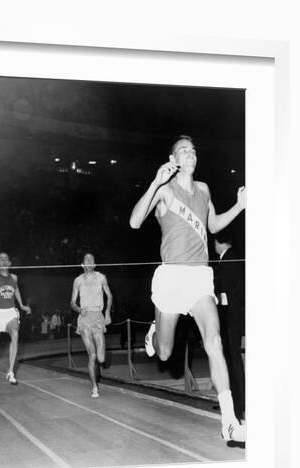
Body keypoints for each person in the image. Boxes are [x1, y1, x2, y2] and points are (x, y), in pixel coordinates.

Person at [129, 135, 246, 442]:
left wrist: (240, 205)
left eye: (193, 150)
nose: (190, 153)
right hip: (171, 277)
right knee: (165, 353)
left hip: (199, 277)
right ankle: (157, 328)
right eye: (184, 150)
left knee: (215, 341)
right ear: (174, 159)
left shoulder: (204, 189)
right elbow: (134, 222)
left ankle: (230, 421)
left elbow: (214, 225)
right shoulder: (165, 190)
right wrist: (155, 182)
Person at [70, 253, 113, 398]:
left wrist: (107, 313)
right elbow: (72, 302)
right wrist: (78, 309)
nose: (89, 261)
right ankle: (94, 387)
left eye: (91, 260)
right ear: (82, 265)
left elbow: (110, 295)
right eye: (86, 260)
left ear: (94, 264)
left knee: (101, 358)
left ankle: (98, 366)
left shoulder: (101, 277)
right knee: (92, 355)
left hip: (98, 317)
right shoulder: (77, 281)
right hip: (84, 318)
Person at [214, 232, 246, 421]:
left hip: (230, 317)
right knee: (229, 357)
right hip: (231, 316)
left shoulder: (229, 260)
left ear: (219, 242)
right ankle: (236, 401)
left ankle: (238, 402)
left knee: (232, 358)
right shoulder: (229, 259)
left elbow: (229, 293)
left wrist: (211, 299)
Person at [0, 252, 31, 383]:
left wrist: (22, 305)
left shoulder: (14, 277)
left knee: (15, 333)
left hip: (10, 313)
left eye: (6, 258)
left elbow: (16, 290)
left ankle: (10, 371)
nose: (3, 260)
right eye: (0, 259)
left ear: (9, 263)